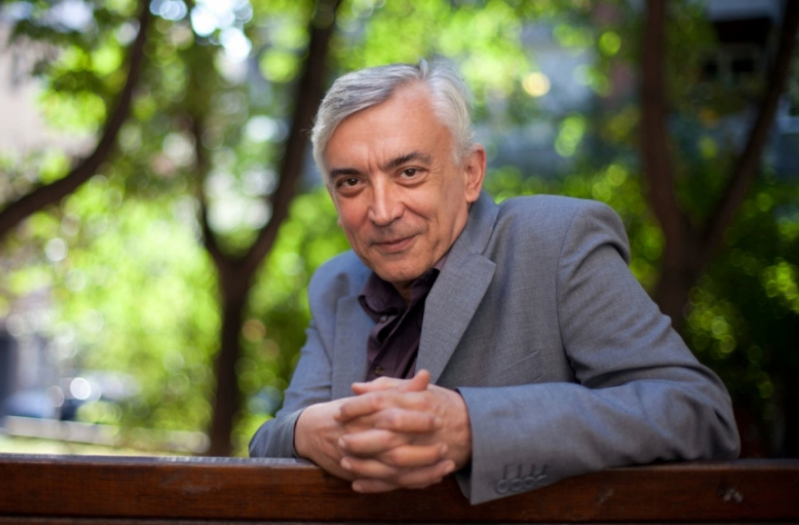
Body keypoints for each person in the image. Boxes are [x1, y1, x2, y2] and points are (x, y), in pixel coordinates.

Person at [249, 60, 739, 505]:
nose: (382, 211)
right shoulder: (336, 282)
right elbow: (270, 443)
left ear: (470, 173)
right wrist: (305, 431)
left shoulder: (558, 242)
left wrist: (472, 426)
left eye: (409, 172)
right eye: (351, 183)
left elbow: (698, 412)